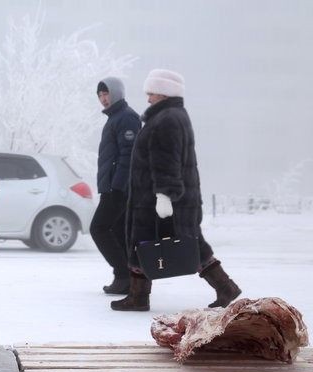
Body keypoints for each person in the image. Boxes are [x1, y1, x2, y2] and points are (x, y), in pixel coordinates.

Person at [111, 69, 241, 311]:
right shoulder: (170, 115)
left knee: (152, 242)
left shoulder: (167, 119)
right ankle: (139, 296)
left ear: (163, 93)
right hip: (166, 197)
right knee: (184, 243)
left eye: (151, 93)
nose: (148, 98)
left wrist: (164, 195)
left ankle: (141, 297)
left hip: (159, 198)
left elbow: (166, 160)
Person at [90, 77, 141, 295]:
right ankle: (127, 278)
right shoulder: (115, 118)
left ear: (117, 93)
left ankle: (122, 274)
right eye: (100, 95)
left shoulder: (127, 118)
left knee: (99, 228)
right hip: (112, 186)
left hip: (119, 188)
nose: (103, 99)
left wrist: (116, 187)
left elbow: (128, 155)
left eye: (106, 94)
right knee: (118, 232)